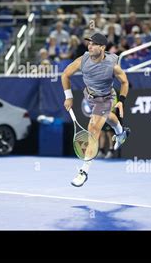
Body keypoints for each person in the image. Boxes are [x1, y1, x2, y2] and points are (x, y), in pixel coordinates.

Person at [61, 32, 131, 187]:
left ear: (102, 47)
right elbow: (65, 74)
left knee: (93, 128)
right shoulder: (83, 59)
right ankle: (121, 132)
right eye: (89, 43)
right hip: (90, 96)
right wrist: (69, 96)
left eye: (93, 44)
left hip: (106, 98)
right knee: (108, 117)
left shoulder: (112, 65)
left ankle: (83, 171)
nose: (89, 46)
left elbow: (124, 82)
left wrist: (121, 101)